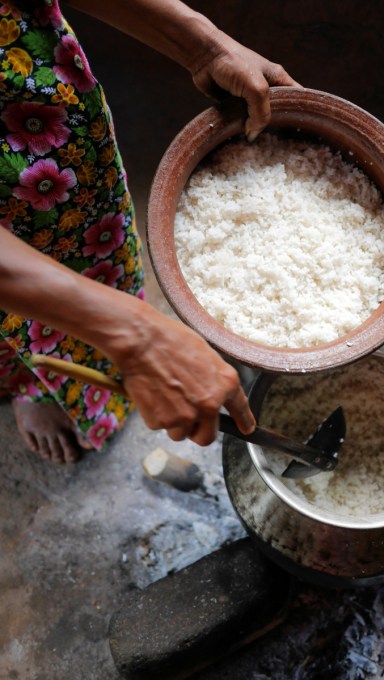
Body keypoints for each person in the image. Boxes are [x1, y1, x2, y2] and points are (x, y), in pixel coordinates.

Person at [0, 0, 300, 463]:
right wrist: (137, 337)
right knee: (18, 326)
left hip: (33, 92)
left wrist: (205, 46)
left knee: (99, 260)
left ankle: (75, 369)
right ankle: (30, 383)